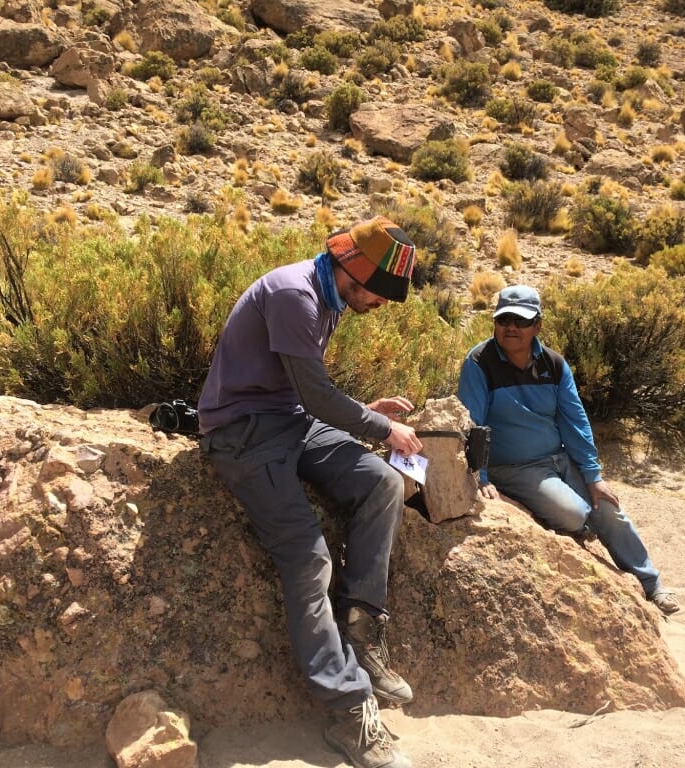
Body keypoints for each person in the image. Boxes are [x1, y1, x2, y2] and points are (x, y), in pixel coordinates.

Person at [198, 216, 422, 768]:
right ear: (352, 270)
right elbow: (317, 395)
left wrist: (369, 412)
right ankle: (348, 710)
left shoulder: (328, 297)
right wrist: (377, 426)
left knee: (383, 484)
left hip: (290, 421)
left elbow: (306, 392)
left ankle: (363, 631)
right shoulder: (294, 294)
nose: (383, 304)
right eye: (382, 292)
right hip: (243, 432)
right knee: (308, 560)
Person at [456, 285, 680, 616]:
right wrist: (482, 475)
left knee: (607, 508)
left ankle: (652, 586)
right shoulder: (479, 363)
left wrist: (592, 476)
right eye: (504, 319)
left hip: (559, 459)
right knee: (575, 514)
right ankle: (581, 529)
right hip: (516, 469)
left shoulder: (554, 365)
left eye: (520, 320)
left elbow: (575, 421)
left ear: (538, 325)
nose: (511, 327)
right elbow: (472, 421)